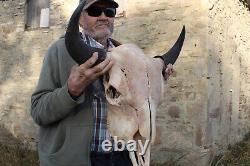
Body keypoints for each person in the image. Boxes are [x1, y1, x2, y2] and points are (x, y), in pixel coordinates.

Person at [31, 0, 174, 166]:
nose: (103, 17)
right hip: (76, 159)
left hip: (124, 157)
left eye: (109, 11)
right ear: (80, 19)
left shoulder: (130, 56)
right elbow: (38, 111)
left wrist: (156, 79)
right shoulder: (59, 51)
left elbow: (138, 104)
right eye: (94, 10)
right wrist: (70, 91)